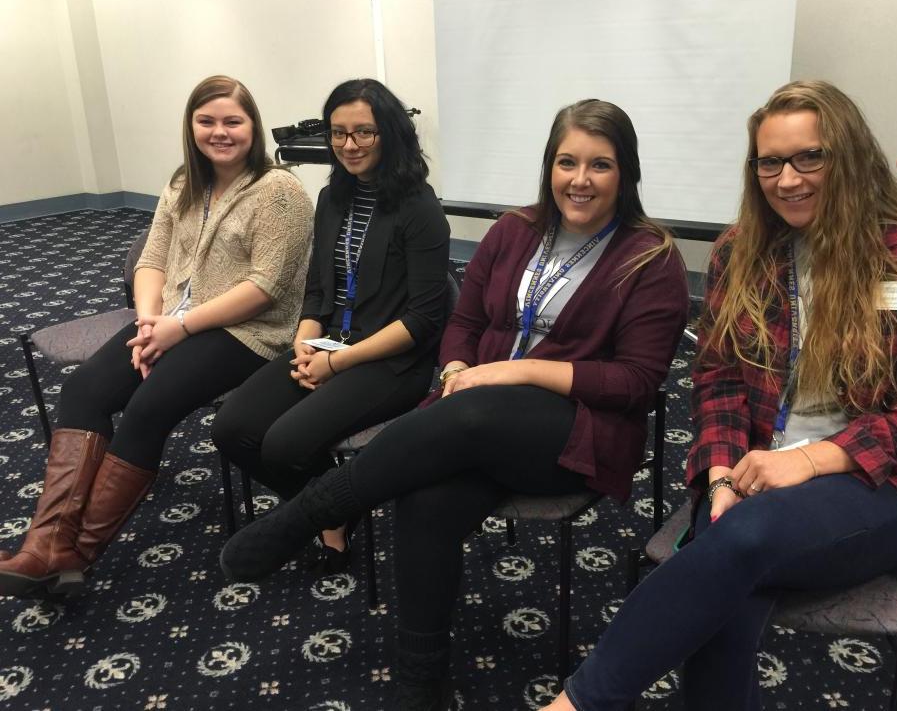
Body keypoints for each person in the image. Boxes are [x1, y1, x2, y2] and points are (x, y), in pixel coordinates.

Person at [218, 98, 689, 709]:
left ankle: (311, 511)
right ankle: (422, 681)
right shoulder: (515, 230)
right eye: (566, 162)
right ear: (548, 165)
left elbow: (634, 382)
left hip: (574, 429)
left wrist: (513, 372)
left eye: (599, 165)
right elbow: (462, 320)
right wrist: (461, 366)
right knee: (425, 495)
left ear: (625, 173)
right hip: (469, 414)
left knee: (469, 414)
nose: (580, 179)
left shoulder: (651, 258)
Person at [543, 80, 897, 711]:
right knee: (729, 584)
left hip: (876, 484)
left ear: (848, 156)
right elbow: (716, 378)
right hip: (751, 468)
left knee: (740, 540)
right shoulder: (741, 251)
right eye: (770, 162)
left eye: (809, 158)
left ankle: (578, 702)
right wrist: (719, 477)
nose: (788, 180)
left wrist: (803, 462)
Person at [0, 75, 314, 598]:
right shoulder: (182, 183)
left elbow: (266, 287)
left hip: (250, 332)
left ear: (252, 127)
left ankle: (78, 553)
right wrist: (149, 323)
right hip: (169, 322)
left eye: (232, 121)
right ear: (190, 127)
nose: (220, 132)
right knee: (83, 392)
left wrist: (178, 327)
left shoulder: (279, 191)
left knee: (148, 407)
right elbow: (152, 260)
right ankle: (47, 544)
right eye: (206, 121)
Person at [212, 78, 450, 571]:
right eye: (339, 133)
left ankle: (327, 508)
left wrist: (337, 366)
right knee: (231, 428)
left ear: (391, 134)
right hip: (325, 342)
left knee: (283, 444)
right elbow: (319, 288)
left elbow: (425, 319)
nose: (349, 145)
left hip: (390, 360)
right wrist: (304, 342)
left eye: (364, 132)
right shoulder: (334, 198)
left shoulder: (421, 210)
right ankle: (333, 512)